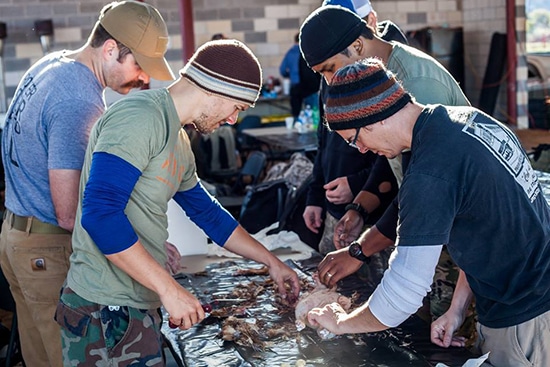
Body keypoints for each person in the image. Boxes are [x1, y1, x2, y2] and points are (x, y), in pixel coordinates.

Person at [54, 39, 301, 365]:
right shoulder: (139, 117)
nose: (232, 121)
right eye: (237, 108)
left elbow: (208, 213)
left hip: (138, 301)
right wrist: (170, 289)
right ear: (216, 90)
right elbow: (100, 214)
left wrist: (271, 261)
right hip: (104, 308)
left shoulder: (179, 139)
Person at [309, 57, 550, 367]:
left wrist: (339, 322)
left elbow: (402, 295)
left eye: (354, 140)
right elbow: (483, 228)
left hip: (527, 318)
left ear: (373, 119)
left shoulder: (430, 172)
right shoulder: (467, 120)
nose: (363, 150)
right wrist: (457, 308)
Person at [0, 2, 174, 366]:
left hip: (18, 237)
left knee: (40, 358)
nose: (144, 79)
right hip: (48, 251)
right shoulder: (78, 99)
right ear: (110, 49)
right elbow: (70, 212)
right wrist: (143, 248)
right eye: (139, 64)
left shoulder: (53, 64)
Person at [299, 5, 470, 305]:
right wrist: (360, 209)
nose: (329, 81)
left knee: (444, 327)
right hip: (430, 220)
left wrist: (360, 250)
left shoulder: (417, 86)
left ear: (357, 45)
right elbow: (393, 162)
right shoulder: (380, 73)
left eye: (329, 68)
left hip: (455, 232)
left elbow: (427, 192)